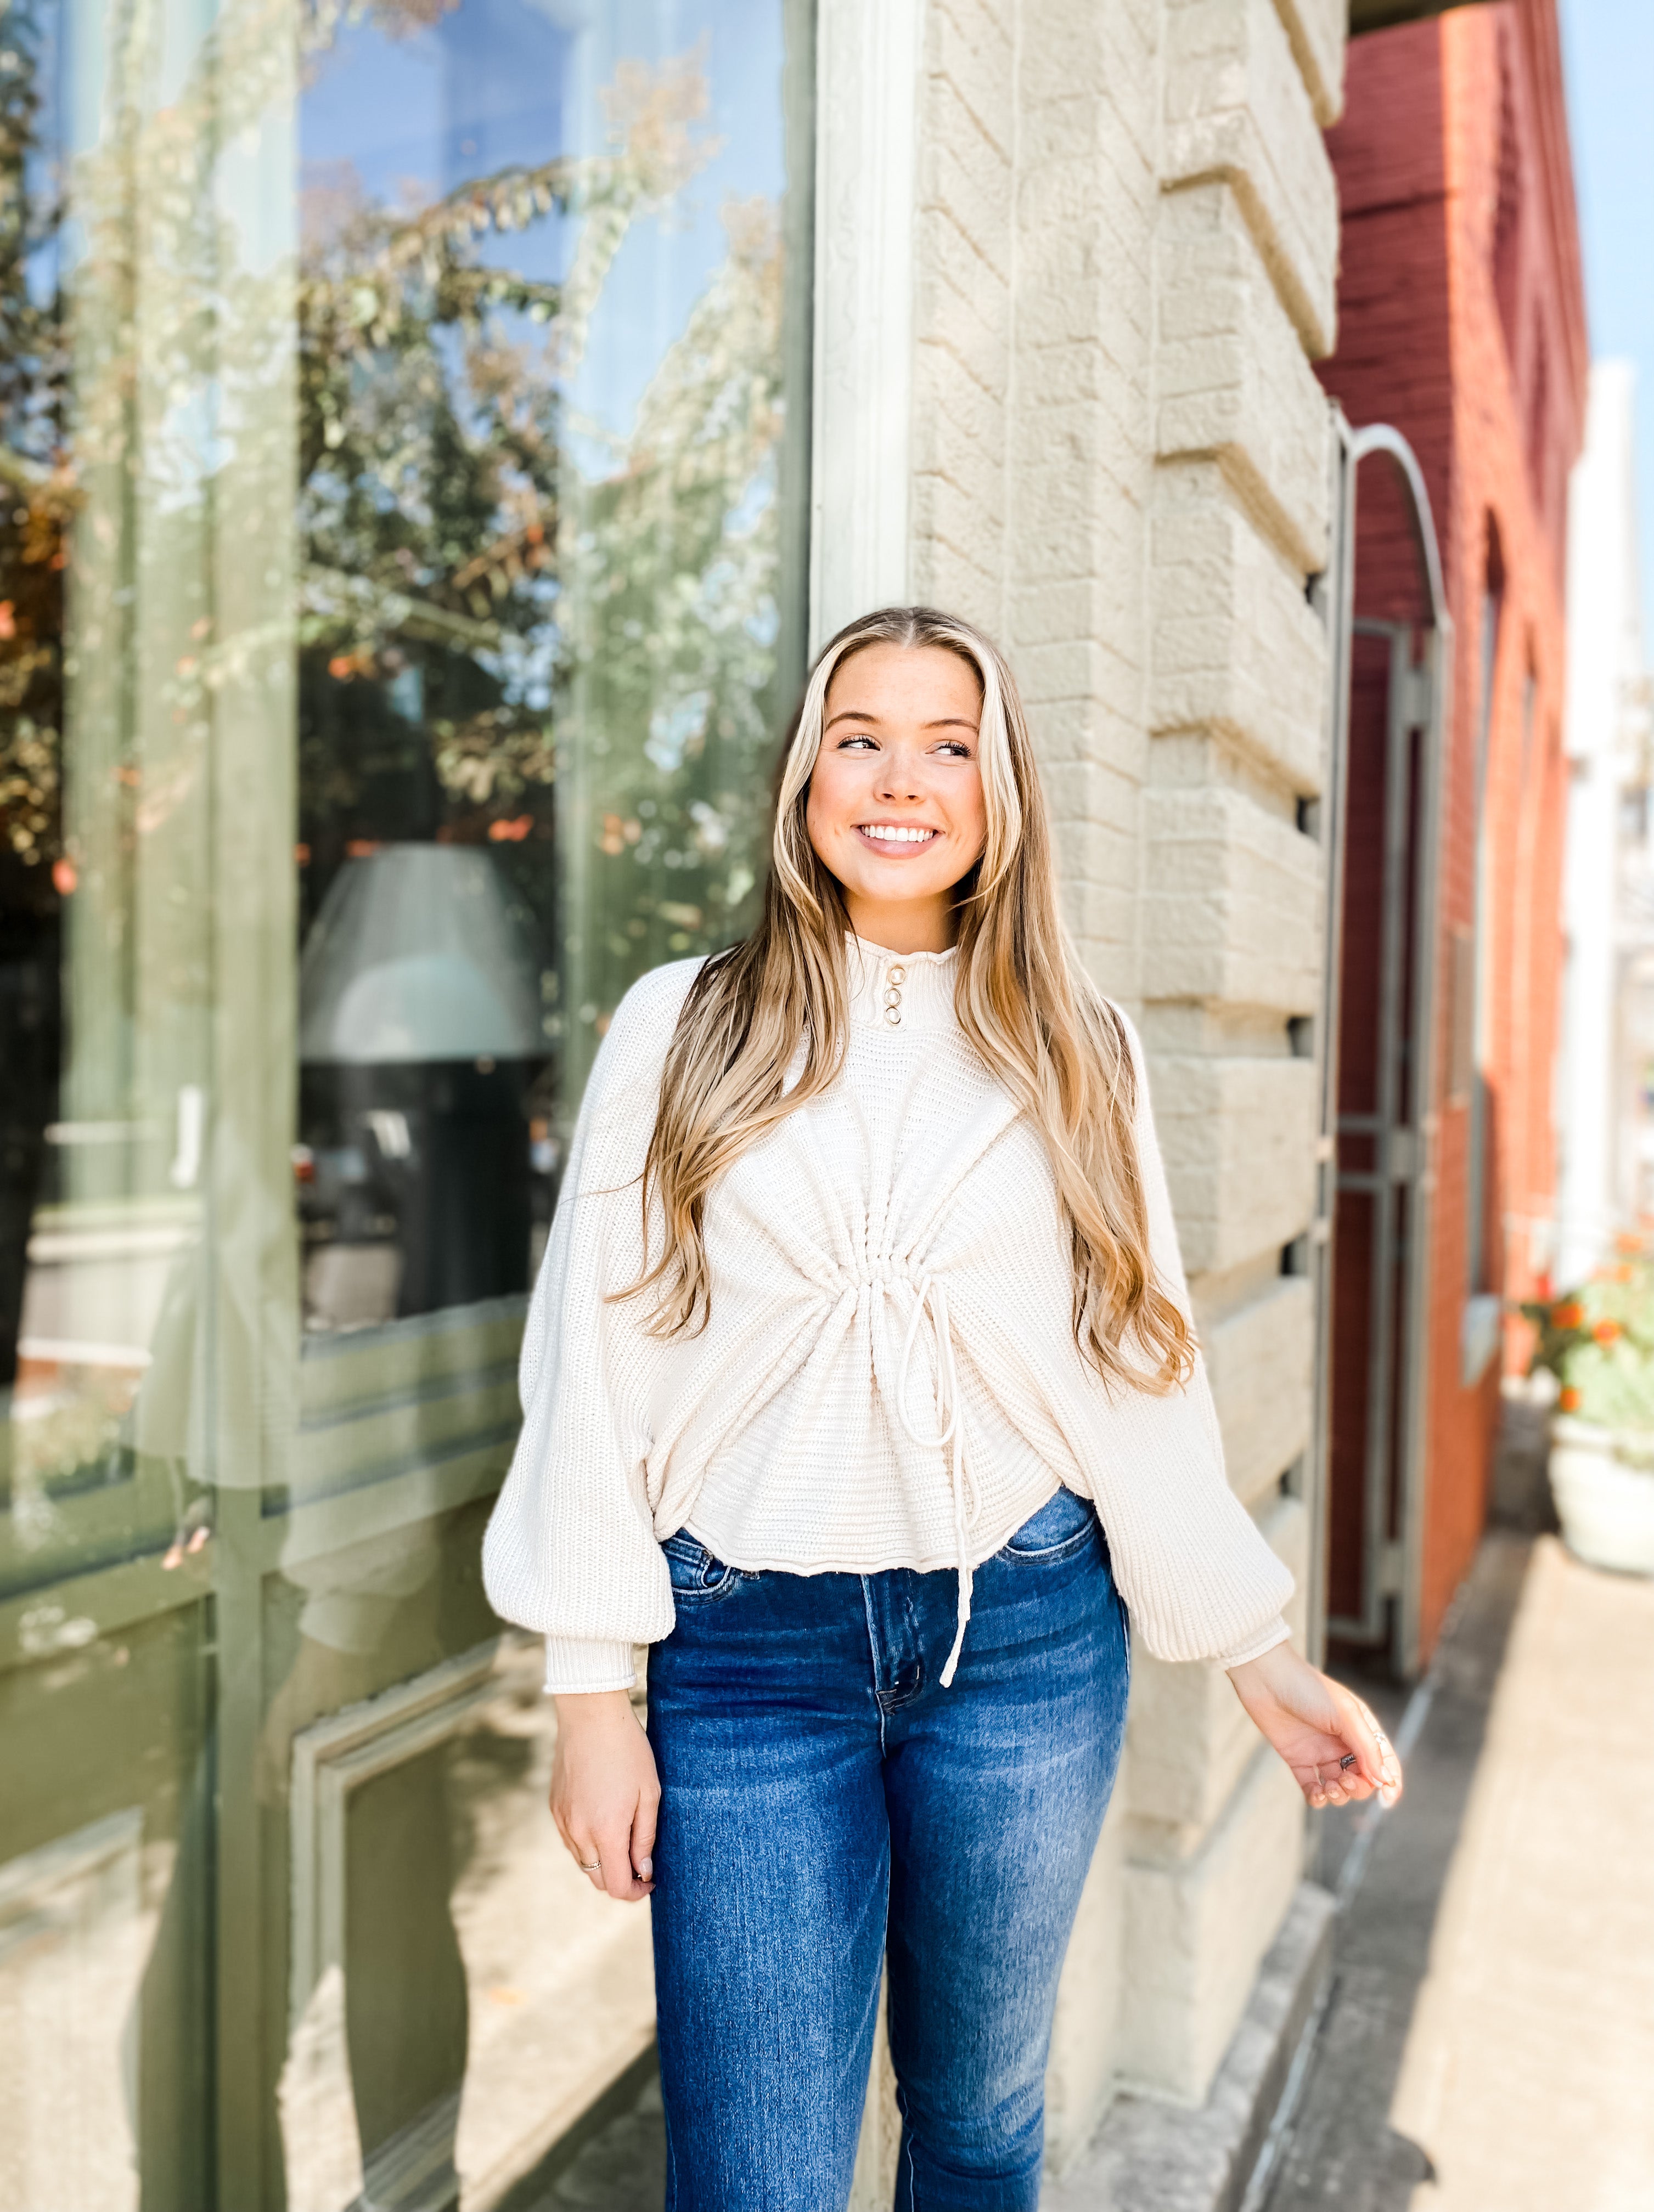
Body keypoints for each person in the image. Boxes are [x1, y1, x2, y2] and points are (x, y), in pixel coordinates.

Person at [483, 606, 1403, 2210]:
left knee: (977, 2124)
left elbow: (1138, 1363)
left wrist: (1259, 1654)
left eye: (949, 743)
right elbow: (594, 1362)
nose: (900, 779)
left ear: (1001, 789)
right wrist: (590, 1698)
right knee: (758, 2177)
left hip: (1028, 1646)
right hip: (746, 1661)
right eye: (862, 738)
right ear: (805, 777)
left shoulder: (1075, 1042)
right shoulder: (681, 1023)